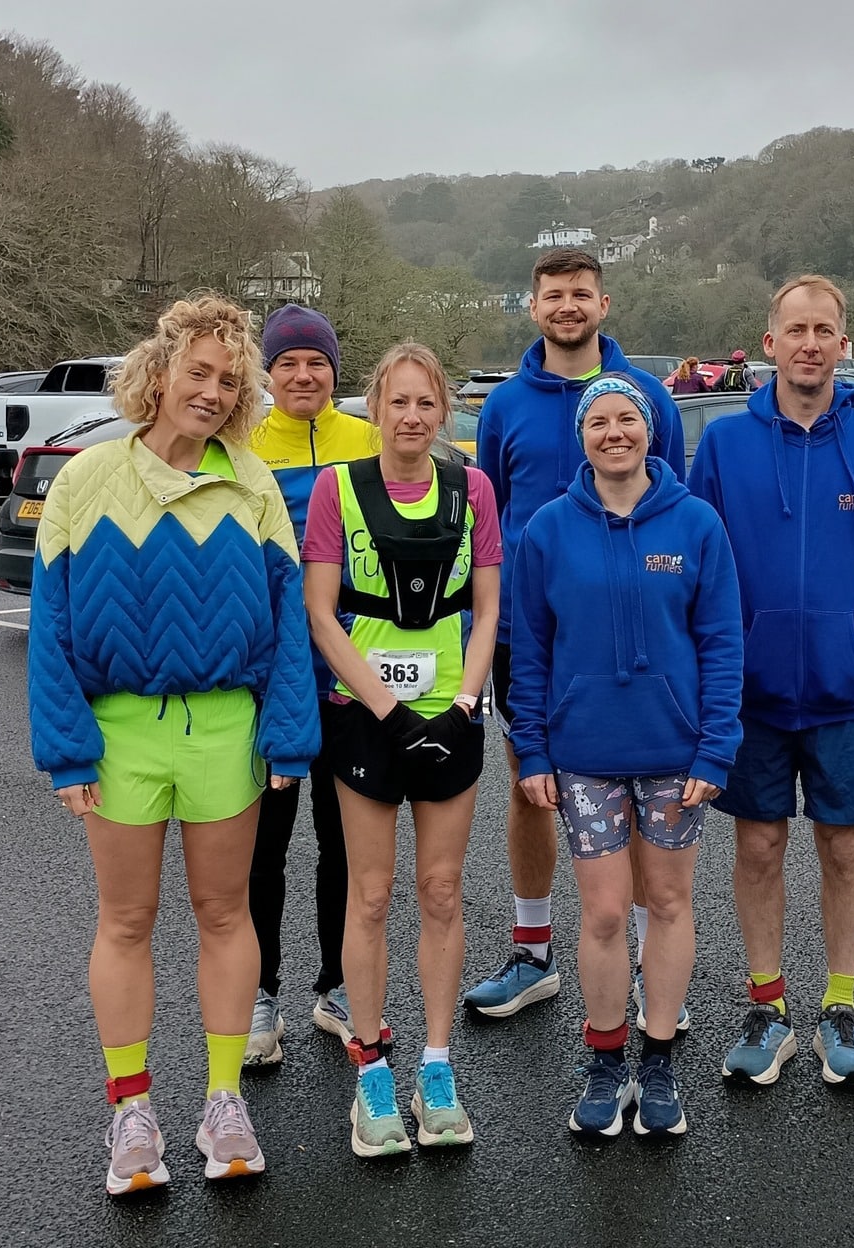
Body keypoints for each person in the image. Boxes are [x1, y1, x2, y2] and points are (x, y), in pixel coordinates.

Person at [29, 293, 317, 1193]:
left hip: (226, 730)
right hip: (121, 735)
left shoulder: (253, 483)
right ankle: (132, 1110)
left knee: (226, 916)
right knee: (126, 920)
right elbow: (51, 625)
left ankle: (224, 1100)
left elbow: (288, 623)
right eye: (198, 372)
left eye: (229, 381)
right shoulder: (86, 480)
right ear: (157, 375)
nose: (212, 392)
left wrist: (288, 735)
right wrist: (67, 748)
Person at [689, 274, 854, 1088]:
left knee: (845, 846)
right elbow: (702, 564)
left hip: (846, 690)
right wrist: (721, 661)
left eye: (825, 330)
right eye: (796, 330)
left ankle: (840, 1009)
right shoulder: (725, 444)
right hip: (751, 694)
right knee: (757, 846)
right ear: (770, 343)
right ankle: (767, 1007)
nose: (811, 344)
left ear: (844, 344)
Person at [510, 374, 744, 1138]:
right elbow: (530, 653)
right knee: (607, 912)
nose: (614, 433)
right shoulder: (548, 529)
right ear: (581, 437)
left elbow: (722, 643)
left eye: (627, 420)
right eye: (598, 422)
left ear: (650, 430)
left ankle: (660, 1059)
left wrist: (716, 748)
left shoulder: (696, 523)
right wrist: (531, 749)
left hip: (675, 753)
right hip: (584, 754)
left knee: (669, 903)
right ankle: (606, 1060)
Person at [464, 248, 685, 1022]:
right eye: (554, 294)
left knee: (635, 793)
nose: (568, 305)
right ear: (533, 307)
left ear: (603, 303)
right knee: (531, 786)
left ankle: (642, 964)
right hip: (526, 634)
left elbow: (675, 507)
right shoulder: (503, 407)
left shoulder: (649, 398)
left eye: (581, 293)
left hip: (630, 633)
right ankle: (533, 952)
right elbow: (487, 525)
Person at [303, 342, 501, 1156]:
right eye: (398, 402)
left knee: (443, 891)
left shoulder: (472, 488)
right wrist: (388, 712)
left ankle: (437, 1066)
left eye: (426, 403)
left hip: (449, 716)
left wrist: (463, 704)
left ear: (443, 410)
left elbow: (488, 608)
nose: (412, 417)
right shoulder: (336, 487)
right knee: (373, 894)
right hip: (366, 718)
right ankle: (372, 1070)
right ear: (375, 408)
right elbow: (322, 613)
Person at [244, 304, 381, 1067]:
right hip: (269, 679)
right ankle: (259, 992)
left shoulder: (368, 440)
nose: (303, 375)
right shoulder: (238, 444)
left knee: (345, 844)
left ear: (335, 371)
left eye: (317, 362)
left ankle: (337, 984)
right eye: (289, 362)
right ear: (268, 373)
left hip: (349, 676)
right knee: (263, 847)